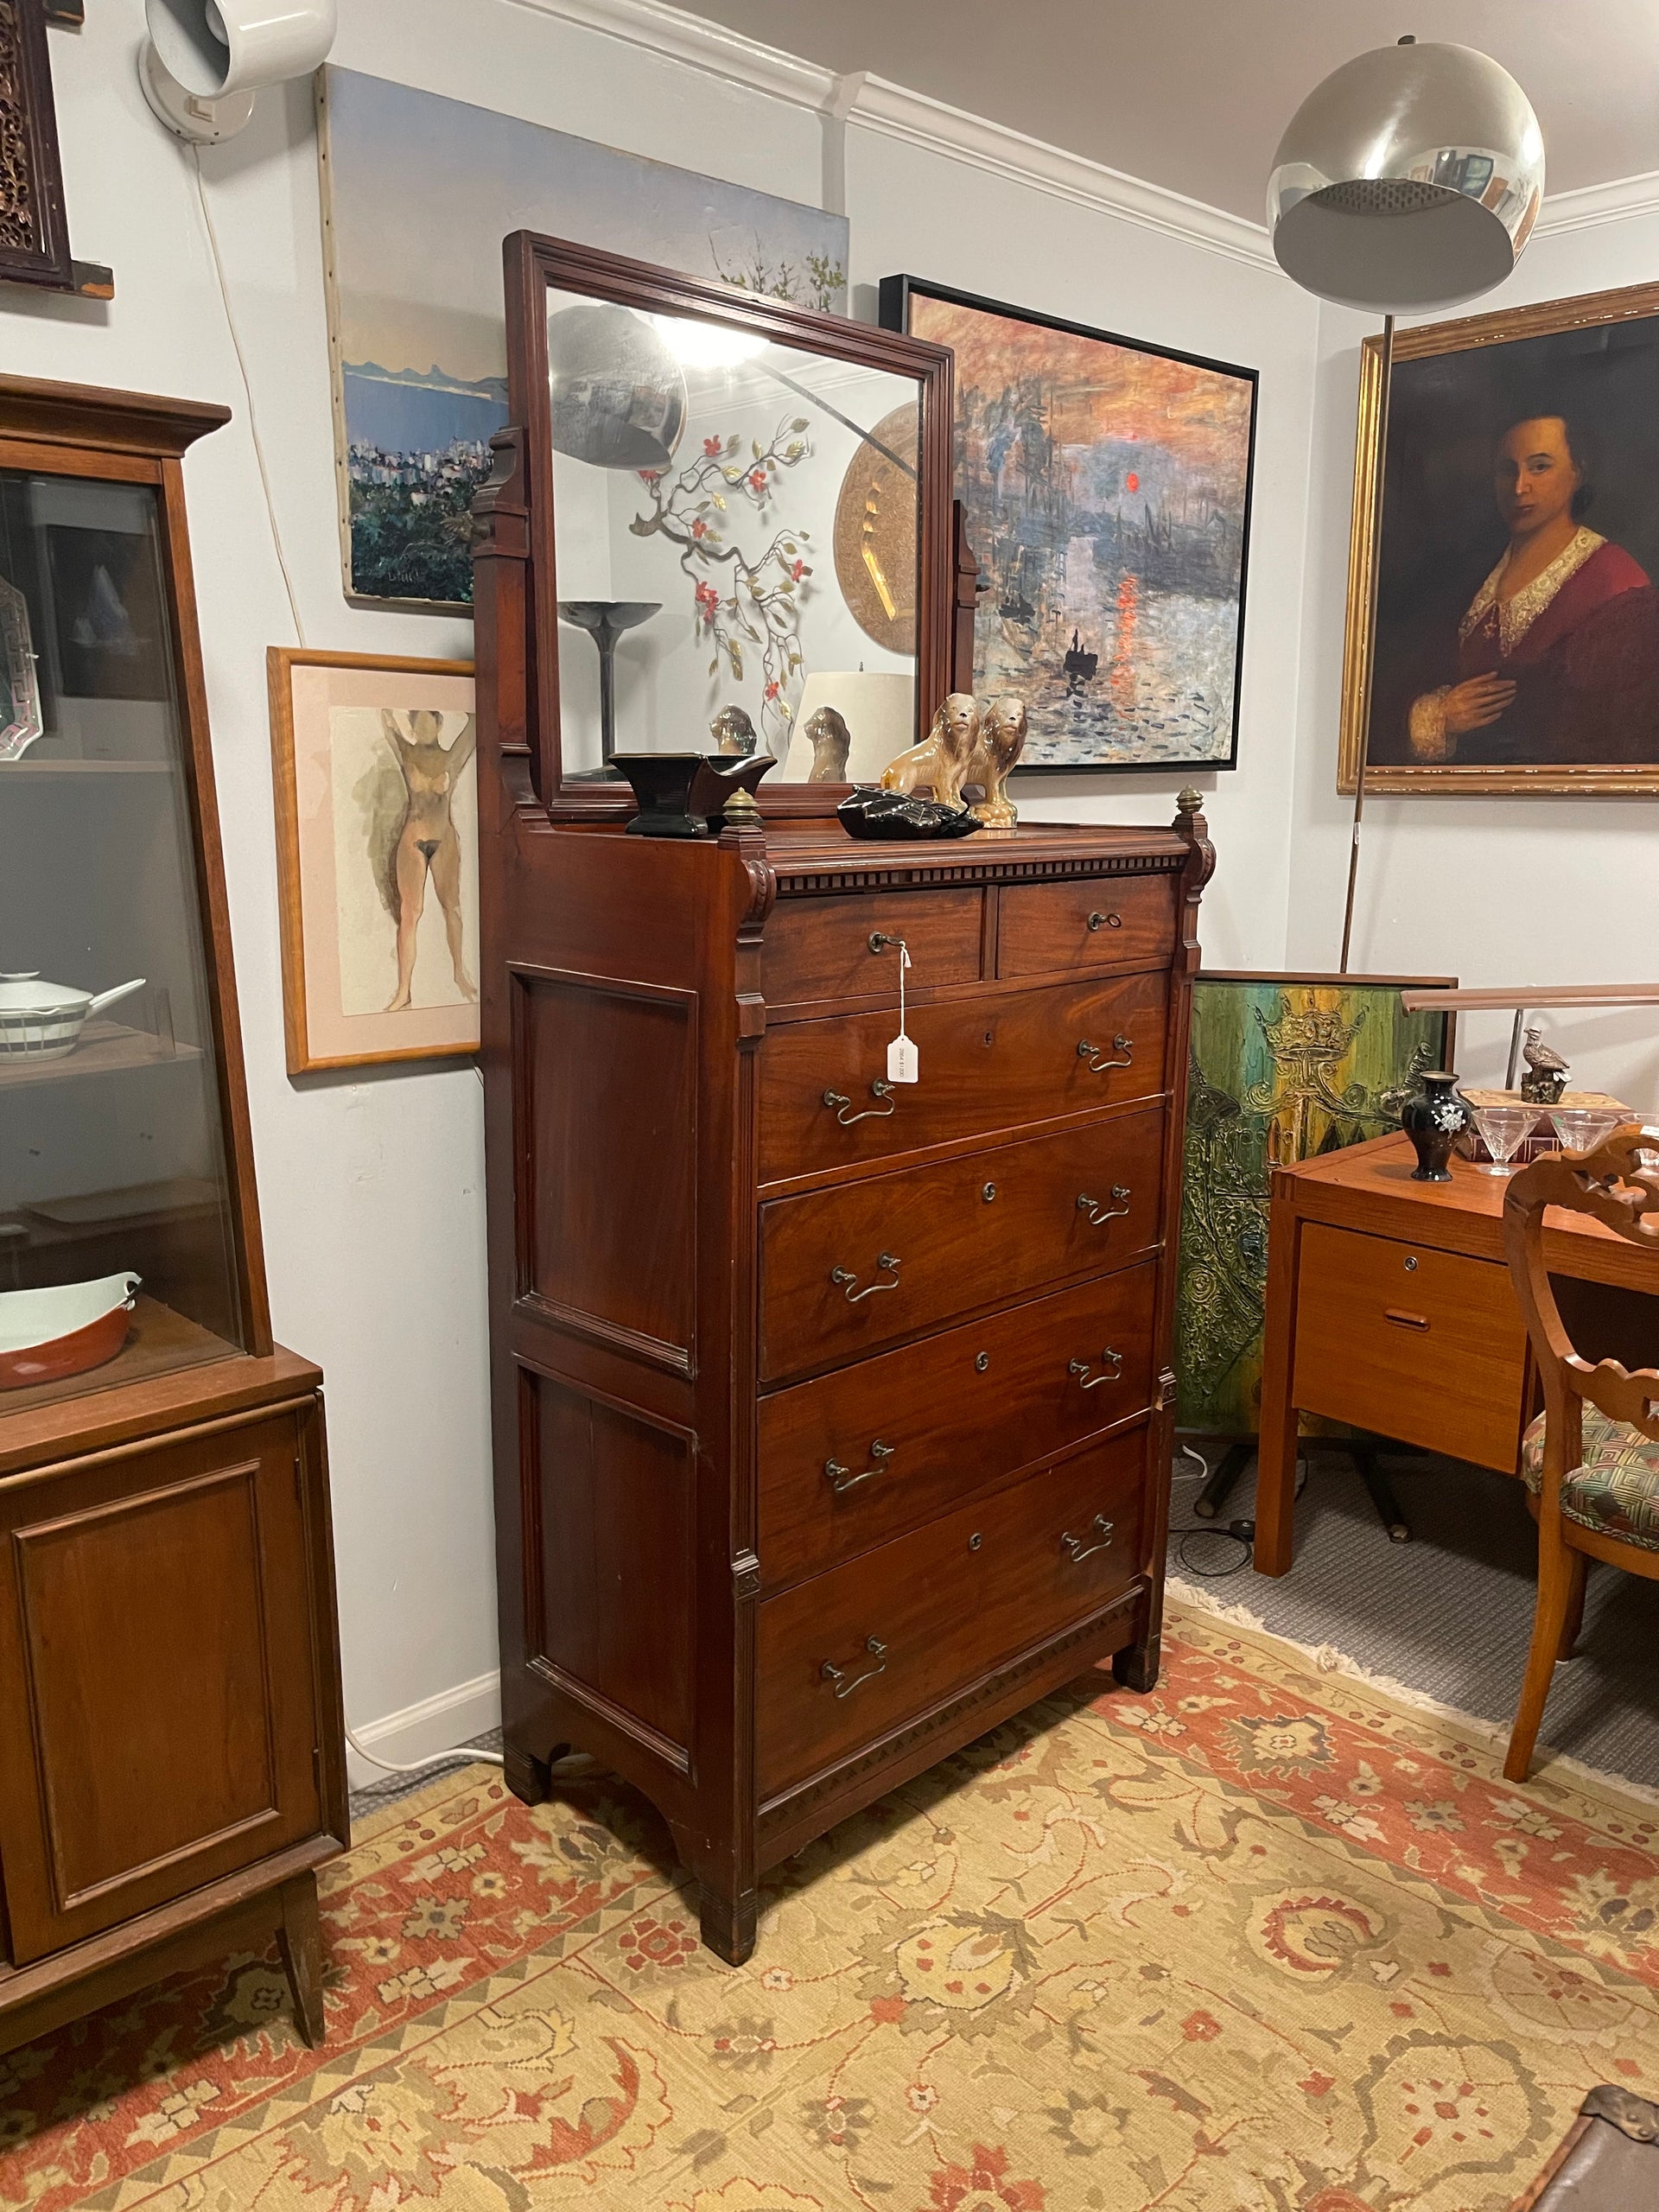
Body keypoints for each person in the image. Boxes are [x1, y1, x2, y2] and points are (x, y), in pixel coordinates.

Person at [1405, 410, 1659, 766]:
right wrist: (1439, 716)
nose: (1519, 487)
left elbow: (1628, 733)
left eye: (1540, 467)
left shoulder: (1615, 579)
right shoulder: (1469, 575)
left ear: (1577, 474)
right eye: (1507, 470)